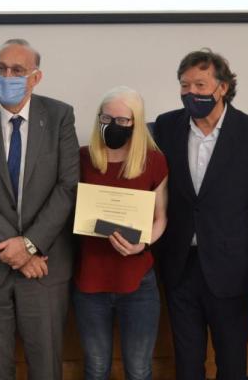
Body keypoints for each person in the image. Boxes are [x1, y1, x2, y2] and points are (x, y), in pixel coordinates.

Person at [152, 49, 248, 380]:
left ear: (222, 87)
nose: (191, 92)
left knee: (231, 364)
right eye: (184, 85)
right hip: (180, 269)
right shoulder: (165, 127)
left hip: (233, 273)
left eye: (200, 84)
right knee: (187, 365)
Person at [0, 38, 80, 380]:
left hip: (45, 267)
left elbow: (67, 188)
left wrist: (29, 245)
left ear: (35, 77)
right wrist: (19, 249)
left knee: (46, 369)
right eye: (1, 69)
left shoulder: (59, 117)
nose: (7, 76)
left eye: (17, 70)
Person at [74, 86, 168, 380]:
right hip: (90, 279)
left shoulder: (153, 161)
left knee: (139, 370)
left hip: (137, 280)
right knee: (96, 367)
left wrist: (142, 244)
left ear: (136, 123)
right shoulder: (82, 158)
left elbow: (161, 217)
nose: (113, 125)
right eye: (107, 117)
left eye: (123, 120)